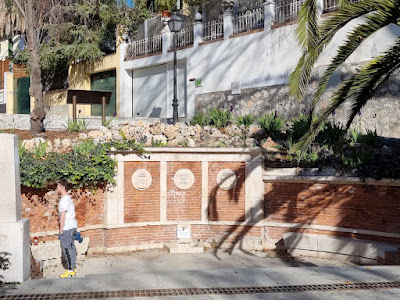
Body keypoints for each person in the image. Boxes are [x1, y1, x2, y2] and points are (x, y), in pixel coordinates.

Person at [56, 181, 78, 278]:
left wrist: (61, 230)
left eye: (57, 186)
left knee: (67, 249)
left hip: (67, 228)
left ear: (62, 187)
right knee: (71, 247)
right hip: (72, 226)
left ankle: (70, 270)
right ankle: (73, 268)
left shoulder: (64, 201)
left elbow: (63, 216)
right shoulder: (68, 198)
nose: (56, 189)